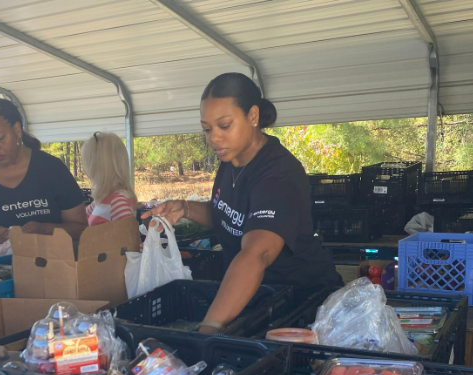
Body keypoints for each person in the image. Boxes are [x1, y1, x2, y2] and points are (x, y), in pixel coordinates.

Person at [143, 72, 342, 335]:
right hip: (261, 299)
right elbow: (229, 216)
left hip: (305, 303)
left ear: (253, 117)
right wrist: (186, 208)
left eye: (224, 125)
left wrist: (208, 328)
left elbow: (256, 254)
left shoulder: (279, 174)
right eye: (207, 129)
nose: (213, 138)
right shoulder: (231, 162)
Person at [0, 98, 88, 254]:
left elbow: (80, 229)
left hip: (50, 271)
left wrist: (43, 229)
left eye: (0, 138)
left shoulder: (51, 169)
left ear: (17, 130)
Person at [81, 132, 137, 226]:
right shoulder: (103, 199)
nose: (85, 168)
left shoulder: (118, 201)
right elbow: (80, 218)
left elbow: (129, 238)